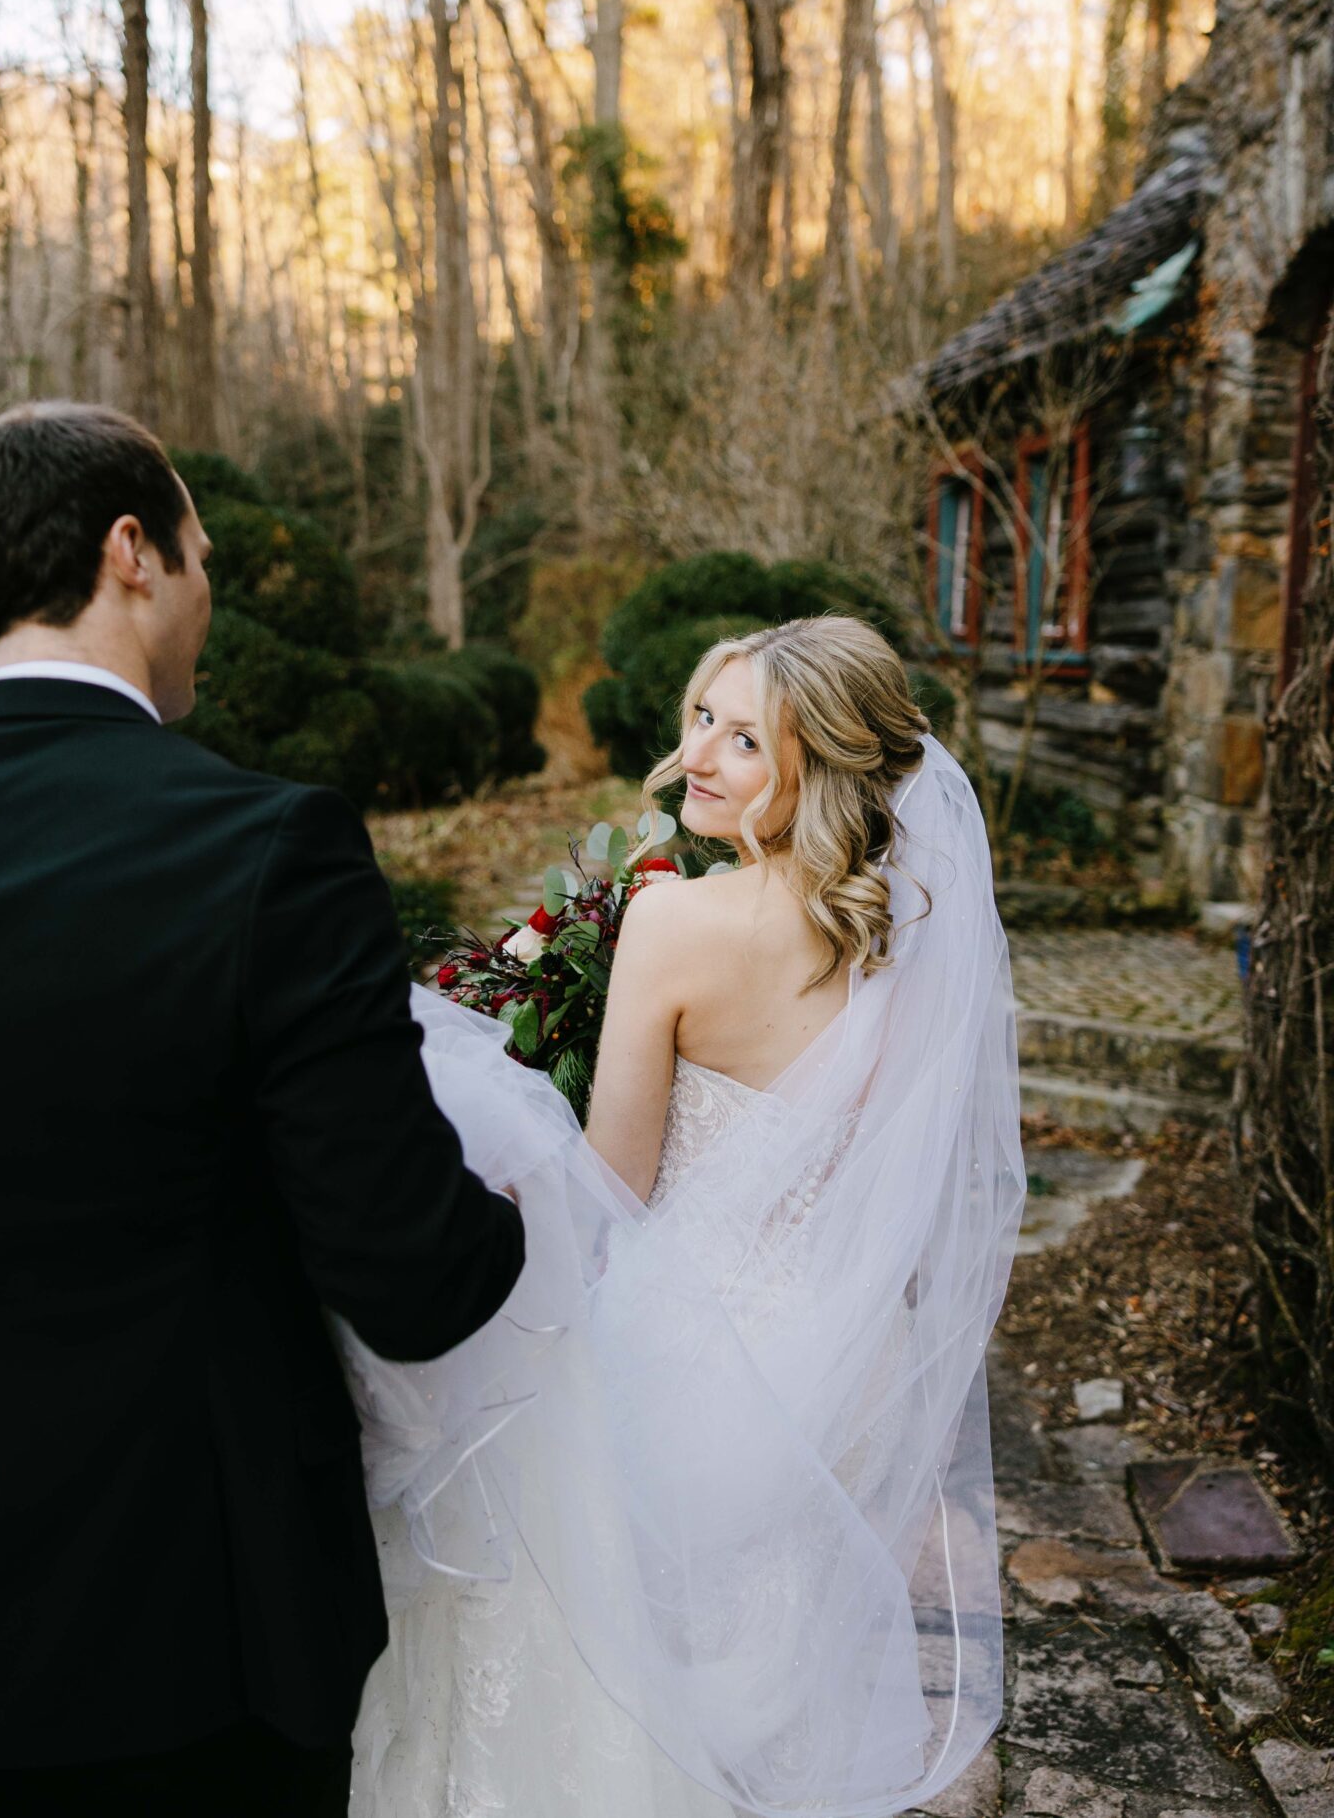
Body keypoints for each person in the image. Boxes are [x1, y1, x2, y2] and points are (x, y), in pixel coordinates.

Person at [0, 402, 524, 1818]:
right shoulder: (266, 848)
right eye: (203, 554)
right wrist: (508, 1212)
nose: (211, 593)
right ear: (133, 553)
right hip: (181, 1665)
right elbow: (411, 1275)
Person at [347, 616, 1025, 1817]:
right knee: (768, 1670)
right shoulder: (909, 934)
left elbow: (612, 1179)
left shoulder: (670, 921)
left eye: (744, 737)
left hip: (674, 1338)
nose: (700, 754)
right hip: (840, 1349)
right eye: (701, 717)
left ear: (816, 763)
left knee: (619, 1651)